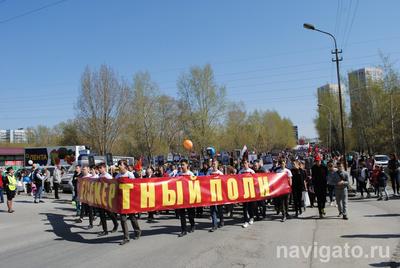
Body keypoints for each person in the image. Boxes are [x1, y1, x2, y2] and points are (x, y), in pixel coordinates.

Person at [116, 160, 141, 245]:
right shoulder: (118, 176)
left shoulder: (130, 174)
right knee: (123, 219)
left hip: (129, 200)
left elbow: (135, 186)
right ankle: (126, 237)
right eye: (118, 165)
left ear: (125, 166)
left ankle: (137, 231)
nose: (119, 166)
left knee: (132, 217)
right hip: (122, 201)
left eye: (120, 165)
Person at [97, 163, 119, 237]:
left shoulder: (108, 176)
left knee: (109, 213)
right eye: (98, 168)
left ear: (104, 168)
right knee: (102, 214)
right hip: (101, 197)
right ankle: (105, 230)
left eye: (100, 168)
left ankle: (116, 224)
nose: (99, 169)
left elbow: (113, 186)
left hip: (107, 198)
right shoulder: (100, 176)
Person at [177, 159, 196, 237]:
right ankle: (183, 230)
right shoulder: (179, 174)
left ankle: (192, 225)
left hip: (189, 197)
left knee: (190, 214)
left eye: (183, 164)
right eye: (181, 165)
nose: (182, 166)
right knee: (182, 215)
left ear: (187, 165)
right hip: (181, 197)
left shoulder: (191, 174)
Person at [207, 159, 224, 232]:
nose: (213, 165)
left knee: (219, 209)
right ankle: (214, 225)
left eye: (215, 164)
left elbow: (224, 183)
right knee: (213, 210)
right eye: (213, 164)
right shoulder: (209, 172)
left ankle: (222, 220)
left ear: (217, 165)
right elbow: (205, 182)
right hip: (211, 194)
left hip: (219, 194)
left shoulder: (220, 173)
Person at [239, 159, 256, 227]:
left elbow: (255, 181)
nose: (245, 164)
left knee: (250, 206)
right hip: (244, 191)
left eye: (246, 163)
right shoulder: (240, 172)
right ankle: (245, 220)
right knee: (244, 207)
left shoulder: (252, 171)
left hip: (251, 191)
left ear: (248, 163)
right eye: (244, 163)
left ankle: (251, 218)